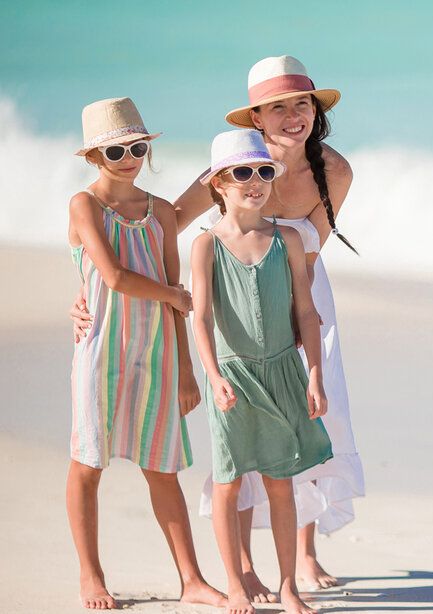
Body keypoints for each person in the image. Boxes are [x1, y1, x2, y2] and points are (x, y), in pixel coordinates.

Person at [72, 55, 365, 595]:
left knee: (310, 423)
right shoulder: (230, 165)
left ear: (314, 109)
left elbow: (311, 252)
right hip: (232, 303)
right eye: (276, 107)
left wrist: (300, 326)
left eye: (301, 103)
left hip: (298, 294)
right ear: (257, 117)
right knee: (246, 435)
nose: (292, 116)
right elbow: (161, 223)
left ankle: (303, 551)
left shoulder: (335, 170)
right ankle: (245, 569)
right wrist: (88, 288)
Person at [66, 97, 225, 610]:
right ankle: (91, 577)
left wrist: (185, 369)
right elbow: (112, 276)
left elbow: (174, 285)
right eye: (116, 151)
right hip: (100, 351)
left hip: (156, 354)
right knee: (88, 465)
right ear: (95, 156)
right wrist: (173, 297)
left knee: (163, 470)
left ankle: (192, 580)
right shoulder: (84, 205)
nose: (130, 157)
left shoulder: (160, 212)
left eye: (137, 147)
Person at [191, 129, 333, 614]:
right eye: (242, 173)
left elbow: (308, 314)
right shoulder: (206, 245)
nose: (255, 181)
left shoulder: (287, 238)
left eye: (263, 171)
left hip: (282, 372)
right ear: (218, 184)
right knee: (229, 482)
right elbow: (202, 319)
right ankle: (234, 583)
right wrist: (213, 377)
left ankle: (289, 585)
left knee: (281, 481)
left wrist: (314, 374)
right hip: (232, 377)